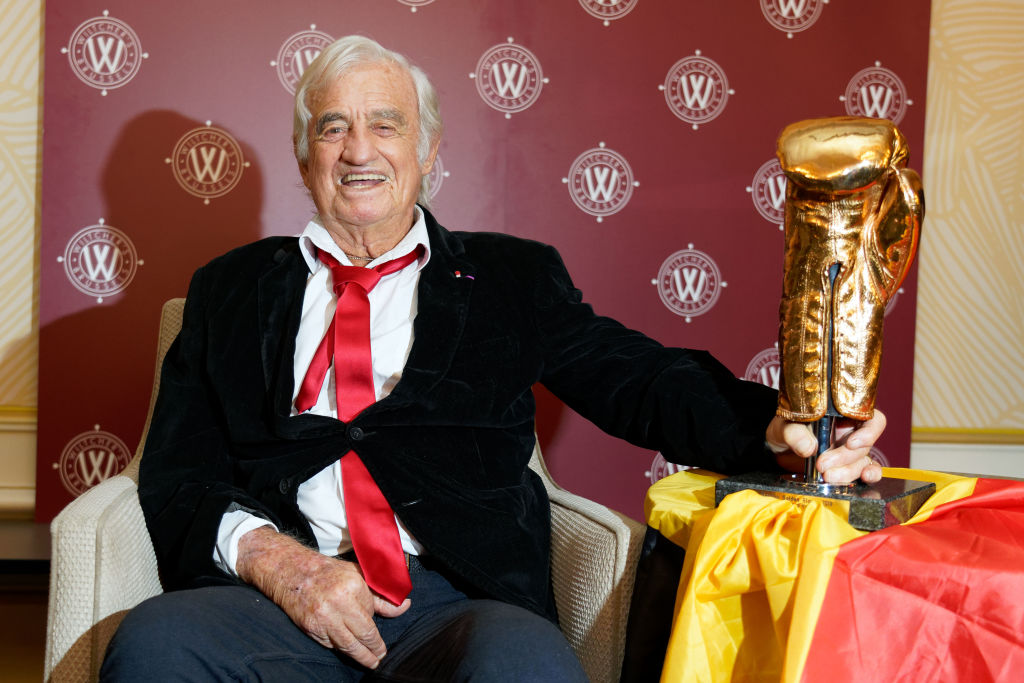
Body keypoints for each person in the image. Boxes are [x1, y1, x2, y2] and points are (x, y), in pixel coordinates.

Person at [100, 35, 885, 682]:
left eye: (386, 125)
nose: (359, 150)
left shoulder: (510, 277)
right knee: (155, 645)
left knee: (527, 667)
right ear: (305, 157)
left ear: (428, 149)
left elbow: (636, 377)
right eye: (333, 128)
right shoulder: (228, 290)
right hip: (278, 600)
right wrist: (284, 566)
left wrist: (777, 428)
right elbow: (179, 470)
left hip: (458, 601)